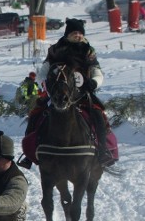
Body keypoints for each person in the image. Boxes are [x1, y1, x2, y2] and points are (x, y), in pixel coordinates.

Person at [37, 17, 113, 166]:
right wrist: (45, 84)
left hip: (82, 95)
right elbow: (42, 73)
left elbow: (97, 71)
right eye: (74, 33)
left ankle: (103, 150)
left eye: (80, 33)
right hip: (57, 93)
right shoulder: (54, 50)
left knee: (99, 116)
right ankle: (34, 151)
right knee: (36, 115)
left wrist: (94, 82)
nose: (78, 35)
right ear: (67, 34)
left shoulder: (88, 51)